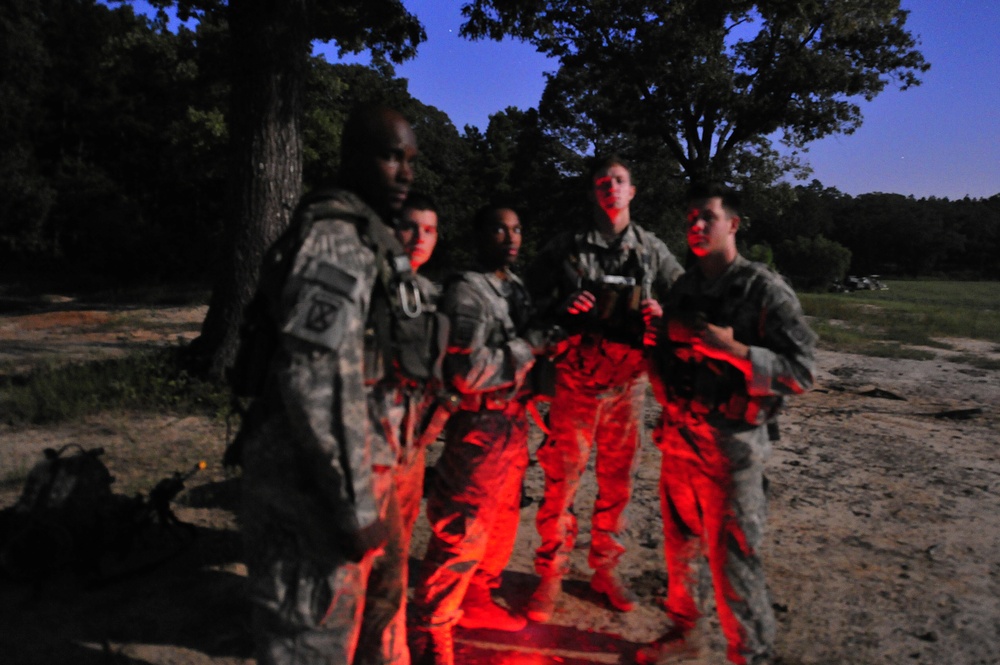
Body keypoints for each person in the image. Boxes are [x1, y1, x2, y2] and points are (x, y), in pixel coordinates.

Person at [238, 104, 431, 665]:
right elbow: (316, 378)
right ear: (353, 157)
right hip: (311, 484)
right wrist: (353, 506)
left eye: (411, 160)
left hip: (362, 468)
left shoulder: (370, 236)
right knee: (311, 639)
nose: (406, 173)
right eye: (392, 156)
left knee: (375, 613)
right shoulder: (335, 236)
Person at [641, 183, 817, 665]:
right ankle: (685, 631)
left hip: (732, 450)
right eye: (690, 219)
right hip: (679, 440)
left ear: (732, 224)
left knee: (734, 561)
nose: (696, 227)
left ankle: (752, 655)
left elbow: (802, 371)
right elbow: (667, 354)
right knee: (680, 550)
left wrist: (735, 352)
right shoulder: (685, 288)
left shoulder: (763, 288)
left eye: (708, 218)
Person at [524, 156, 684, 622]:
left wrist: (662, 315)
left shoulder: (652, 251)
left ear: (632, 191)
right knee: (560, 485)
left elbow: (688, 298)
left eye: (619, 181)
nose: (611, 188)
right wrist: (562, 305)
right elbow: (524, 299)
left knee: (618, 485)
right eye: (602, 182)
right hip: (574, 383)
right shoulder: (567, 248)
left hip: (628, 388)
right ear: (593, 192)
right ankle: (551, 574)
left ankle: (604, 569)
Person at [409, 205, 543, 665]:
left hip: (512, 424)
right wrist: (533, 346)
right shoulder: (467, 293)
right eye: (499, 229)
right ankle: (432, 629)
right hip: (478, 428)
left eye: (517, 228)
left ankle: (477, 599)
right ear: (480, 236)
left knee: (502, 526)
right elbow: (467, 373)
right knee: (462, 531)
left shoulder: (517, 289)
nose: (510, 237)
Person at [391, 191, 442, 571]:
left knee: (399, 541)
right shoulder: (366, 286)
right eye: (410, 226)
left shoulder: (431, 295)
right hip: (367, 442)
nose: (419, 237)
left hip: (412, 441)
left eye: (429, 229)